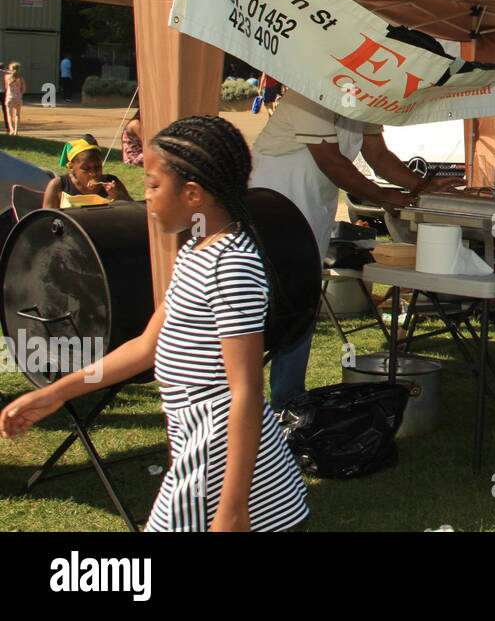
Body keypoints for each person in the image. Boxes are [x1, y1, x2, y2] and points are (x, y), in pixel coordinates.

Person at [3, 115, 309, 531]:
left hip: (223, 467)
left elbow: (246, 391)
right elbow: (147, 346)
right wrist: (58, 392)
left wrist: (233, 510)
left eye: (153, 185)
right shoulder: (196, 253)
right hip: (200, 458)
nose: (145, 197)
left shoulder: (231, 266)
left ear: (193, 194)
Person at [249, 90, 459, 409]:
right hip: (272, 204)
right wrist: (386, 198)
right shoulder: (312, 93)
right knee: (262, 306)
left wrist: (424, 187)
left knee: (301, 303)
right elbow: (331, 160)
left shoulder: (367, 97)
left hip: (311, 207)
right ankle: (243, 401)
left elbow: (378, 155)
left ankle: (289, 401)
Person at [42, 138, 133, 209]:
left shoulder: (112, 182)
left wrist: (120, 197)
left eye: (97, 167)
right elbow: (46, 219)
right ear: (71, 166)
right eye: (85, 168)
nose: (93, 173)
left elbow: (134, 209)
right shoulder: (59, 185)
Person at [5, 61, 26, 135]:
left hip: (10, 97)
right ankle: (16, 131)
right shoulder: (20, 78)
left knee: (9, 114)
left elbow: (6, 87)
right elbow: (23, 89)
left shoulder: (7, 77)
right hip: (18, 98)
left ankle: (11, 130)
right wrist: (19, 93)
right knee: (17, 114)